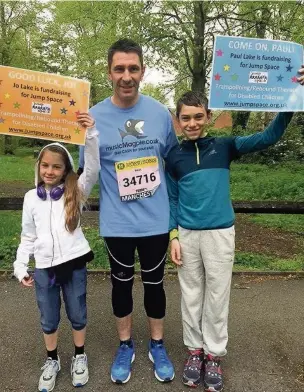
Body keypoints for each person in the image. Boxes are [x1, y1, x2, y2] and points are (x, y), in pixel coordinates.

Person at [166, 68, 304, 392]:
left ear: (208, 115)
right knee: (191, 297)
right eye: (186, 118)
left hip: (219, 235)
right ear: (178, 120)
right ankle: (194, 352)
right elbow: (172, 201)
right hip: (186, 236)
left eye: (198, 116)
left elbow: (269, 137)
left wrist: (291, 100)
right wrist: (173, 236)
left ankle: (213, 355)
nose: (192, 123)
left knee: (217, 296)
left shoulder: (225, 146)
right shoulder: (173, 156)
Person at [83, 38, 178, 384]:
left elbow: (174, 162)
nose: (127, 75)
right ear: (109, 72)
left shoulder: (158, 113)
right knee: (120, 287)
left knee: (155, 285)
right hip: (117, 224)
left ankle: (157, 344)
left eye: (133, 68)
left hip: (155, 221)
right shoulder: (91, 117)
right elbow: (87, 174)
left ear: (142, 71)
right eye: (120, 68)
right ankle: (125, 345)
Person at [13, 113, 100, 392]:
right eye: (45, 166)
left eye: (56, 167)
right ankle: (52, 360)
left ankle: (78, 356)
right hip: (44, 269)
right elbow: (28, 235)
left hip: (73, 265)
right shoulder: (30, 198)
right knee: (48, 317)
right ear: (39, 166)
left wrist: (91, 134)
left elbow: (94, 168)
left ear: (65, 170)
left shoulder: (76, 191)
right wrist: (20, 265)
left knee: (78, 314)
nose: (49, 171)